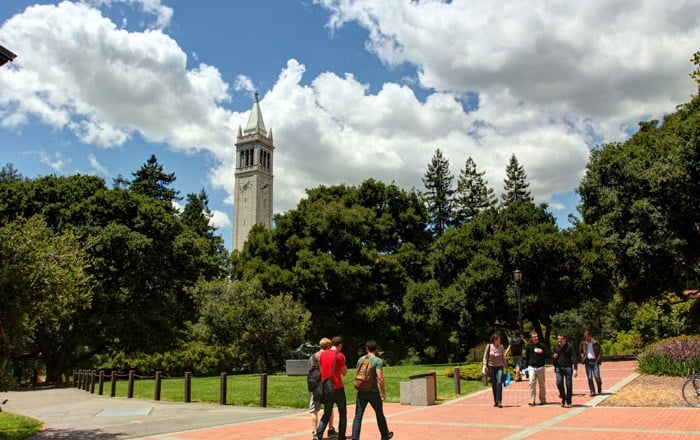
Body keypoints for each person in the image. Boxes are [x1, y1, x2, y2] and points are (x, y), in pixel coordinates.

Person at [351, 340, 394, 440]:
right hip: (373, 391)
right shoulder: (378, 361)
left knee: (358, 415)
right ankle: (384, 435)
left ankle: (355, 437)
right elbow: (380, 377)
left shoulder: (360, 360)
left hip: (361, 391)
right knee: (379, 413)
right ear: (376, 349)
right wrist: (383, 392)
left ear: (366, 348)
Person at [314, 336, 347, 440]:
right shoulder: (340, 356)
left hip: (326, 388)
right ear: (340, 345)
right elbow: (344, 372)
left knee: (327, 413)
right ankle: (341, 436)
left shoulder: (322, 355)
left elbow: (321, 369)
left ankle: (318, 435)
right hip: (337, 387)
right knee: (342, 413)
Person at [309, 338, 336, 439]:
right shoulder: (329, 355)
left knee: (314, 410)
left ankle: (315, 432)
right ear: (329, 346)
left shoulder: (313, 356)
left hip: (314, 385)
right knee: (329, 409)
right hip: (325, 385)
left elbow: (310, 369)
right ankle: (330, 429)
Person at [552, 333, 578, 408]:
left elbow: (574, 357)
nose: (559, 340)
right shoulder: (555, 347)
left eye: (561, 339)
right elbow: (553, 357)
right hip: (559, 368)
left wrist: (575, 369)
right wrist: (554, 357)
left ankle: (569, 401)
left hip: (568, 368)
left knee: (568, 385)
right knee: (559, 383)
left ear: (564, 339)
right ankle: (563, 398)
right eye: (558, 339)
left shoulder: (569, 346)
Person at [482, 333, 507, 408]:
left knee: (499, 382)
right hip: (491, 367)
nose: (500, 341)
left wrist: (506, 366)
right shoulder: (489, 346)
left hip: (499, 366)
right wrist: (484, 365)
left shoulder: (501, 347)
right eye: (498, 339)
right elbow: (485, 357)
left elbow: (503, 357)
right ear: (494, 340)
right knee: (494, 383)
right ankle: (495, 400)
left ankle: (499, 401)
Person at [524, 331, 549, 406]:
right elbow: (527, 357)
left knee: (542, 384)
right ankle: (532, 400)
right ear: (531, 338)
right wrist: (526, 367)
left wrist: (542, 352)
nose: (536, 338)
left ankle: (543, 399)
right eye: (534, 337)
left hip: (540, 367)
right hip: (532, 367)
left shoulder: (542, 345)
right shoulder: (529, 346)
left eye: (536, 336)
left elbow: (548, 354)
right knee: (531, 383)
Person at [579, 330, 603, 396]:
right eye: (585, 337)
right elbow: (580, 351)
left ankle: (599, 385)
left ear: (590, 336)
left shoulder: (596, 342)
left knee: (597, 376)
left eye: (587, 337)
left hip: (595, 361)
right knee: (589, 377)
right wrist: (583, 356)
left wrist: (598, 360)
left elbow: (600, 352)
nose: (586, 338)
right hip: (587, 361)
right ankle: (592, 391)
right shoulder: (583, 343)